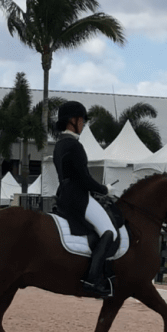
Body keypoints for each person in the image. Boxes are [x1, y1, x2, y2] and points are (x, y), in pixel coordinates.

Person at [53, 100, 117, 298]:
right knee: (109, 232)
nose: (83, 124)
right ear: (73, 121)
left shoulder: (59, 144)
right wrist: (104, 189)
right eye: (81, 120)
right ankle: (92, 280)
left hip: (63, 196)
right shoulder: (74, 145)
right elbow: (84, 178)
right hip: (78, 198)